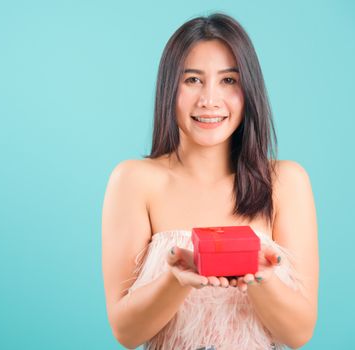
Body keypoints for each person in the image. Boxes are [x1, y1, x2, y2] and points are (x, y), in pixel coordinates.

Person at [101, 13, 319, 350]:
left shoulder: (286, 182)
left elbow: (299, 333)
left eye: (228, 80)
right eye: (192, 80)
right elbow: (126, 333)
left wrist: (258, 277)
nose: (209, 99)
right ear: (169, 88)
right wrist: (176, 280)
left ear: (249, 90)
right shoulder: (133, 181)